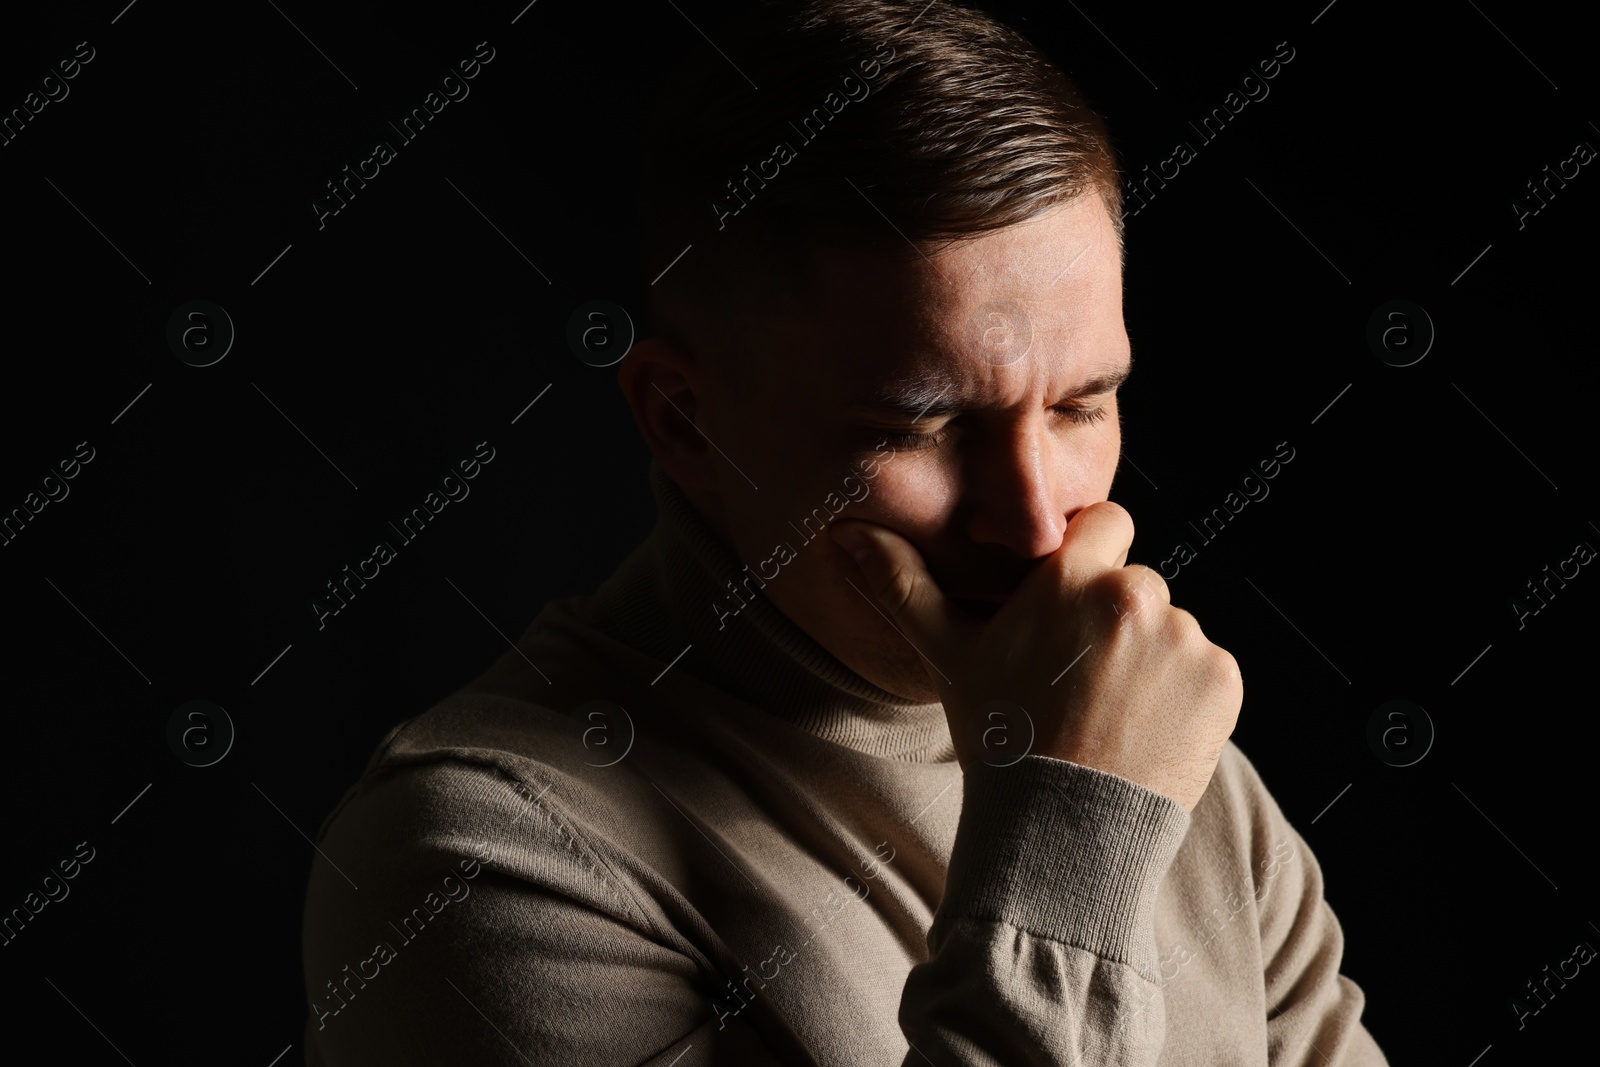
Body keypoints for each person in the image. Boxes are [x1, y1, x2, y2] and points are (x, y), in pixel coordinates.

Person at [300, 1, 1390, 1062]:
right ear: (683, 422)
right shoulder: (475, 856)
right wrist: (1076, 829)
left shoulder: (1156, 742)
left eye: (1080, 406)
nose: (1031, 519)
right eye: (925, 426)